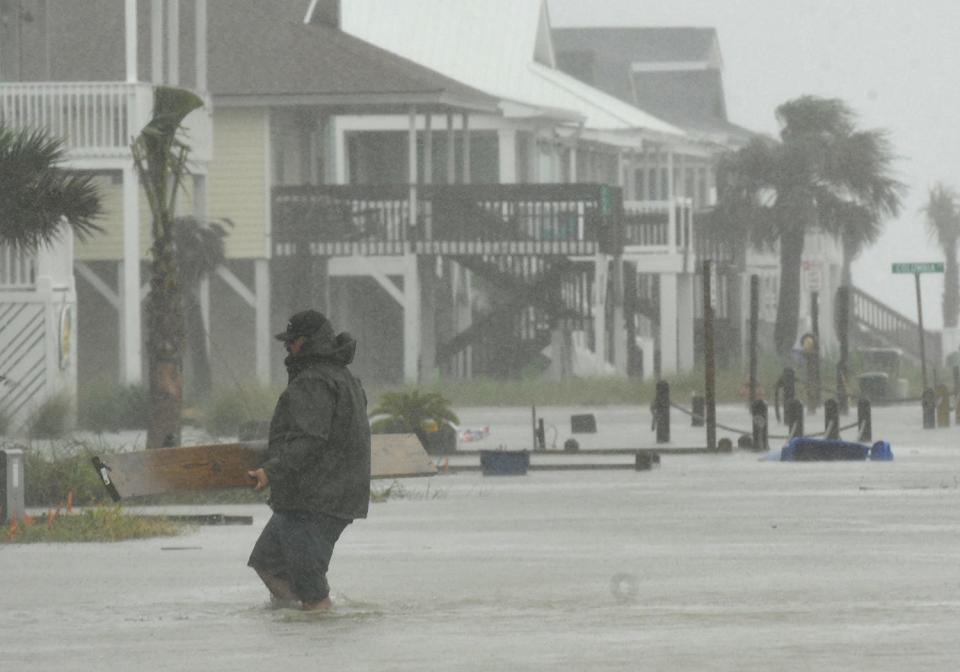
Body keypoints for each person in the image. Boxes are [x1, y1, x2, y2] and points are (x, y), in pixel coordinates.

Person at [247, 309, 371, 611]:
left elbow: (308, 440)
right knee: (268, 563)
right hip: (324, 498)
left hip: (314, 503)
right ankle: (295, 624)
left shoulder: (313, 382)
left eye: (291, 342)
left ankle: (318, 636)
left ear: (303, 342)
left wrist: (269, 471)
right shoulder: (344, 377)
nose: (287, 349)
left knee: (313, 590)